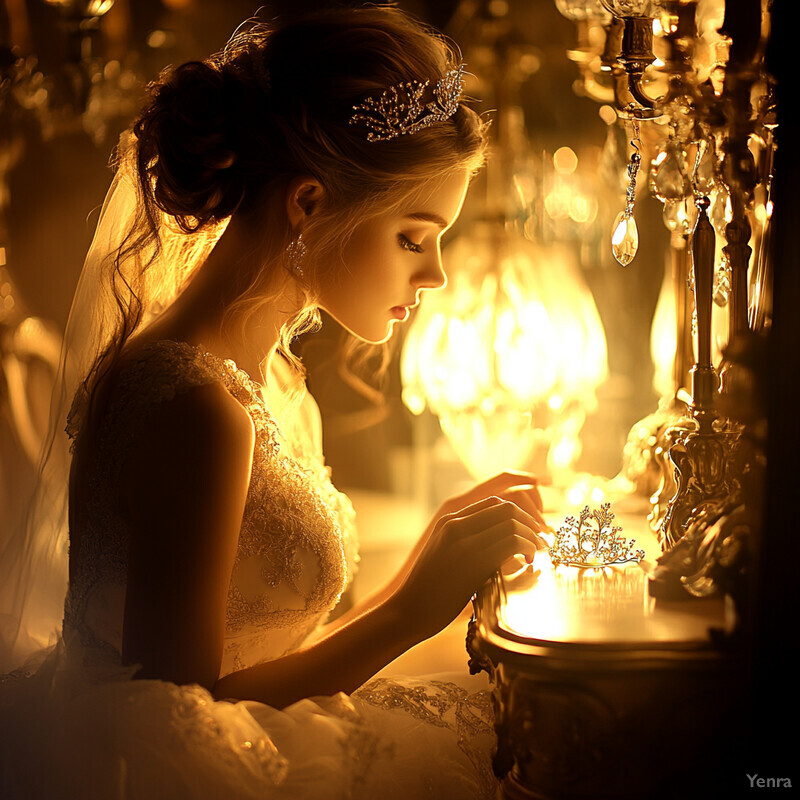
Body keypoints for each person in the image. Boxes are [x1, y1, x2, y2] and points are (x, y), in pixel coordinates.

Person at [0, 7, 547, 798]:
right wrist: (406, 612)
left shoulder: (267, 379)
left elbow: (261, 646)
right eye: (413, 236)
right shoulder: (197, 409)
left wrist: (429, 562)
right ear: (308, 204)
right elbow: (169, 729)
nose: (436, 277)